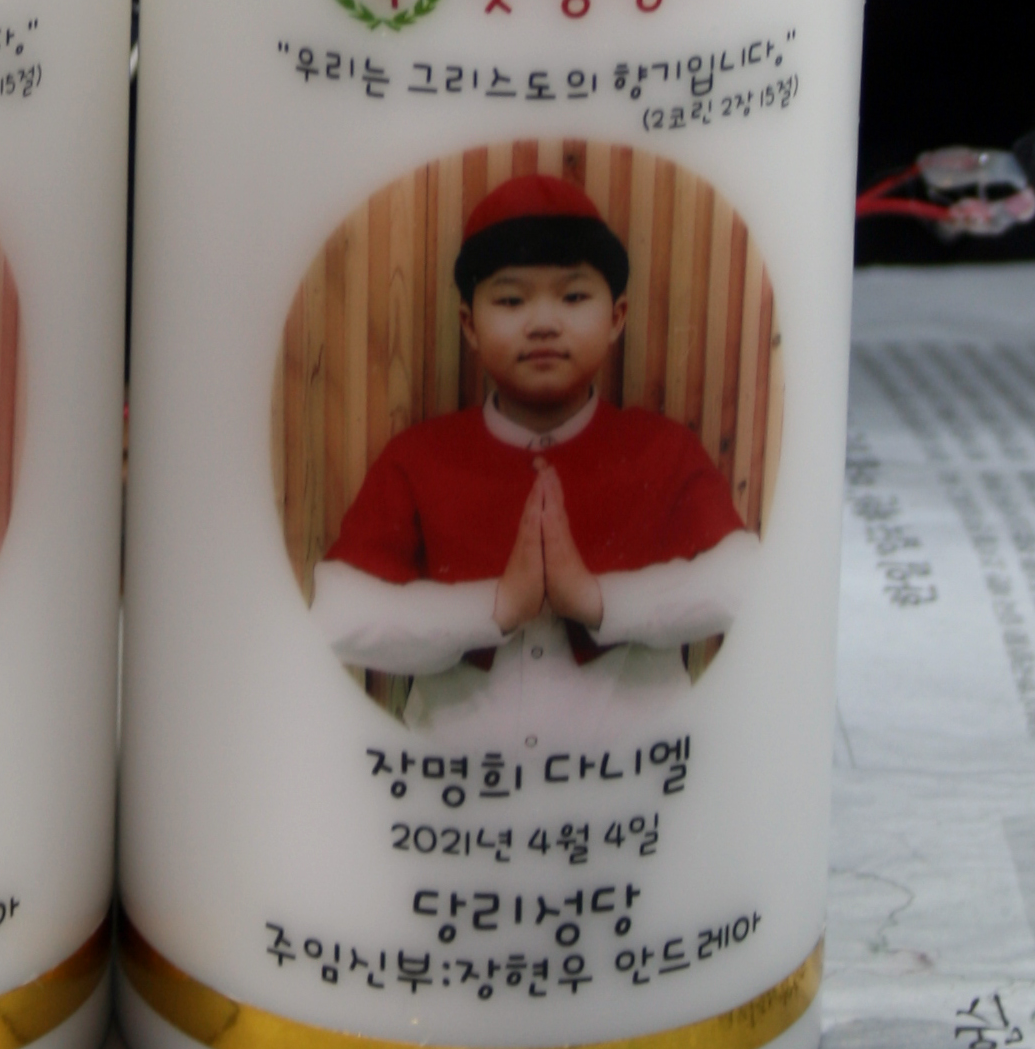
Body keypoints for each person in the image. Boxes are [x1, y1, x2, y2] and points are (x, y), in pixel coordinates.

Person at [309, 175, 760, 741]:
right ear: (470, 324)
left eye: (574, 297)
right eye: (510, 300)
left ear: (617, 316)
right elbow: (340, 615)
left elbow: (746, 583)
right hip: (456, 776)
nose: (544, 323)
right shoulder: (418, 457)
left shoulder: (663, 449)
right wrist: (495, 607)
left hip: (636, 768)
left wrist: (597, 600)